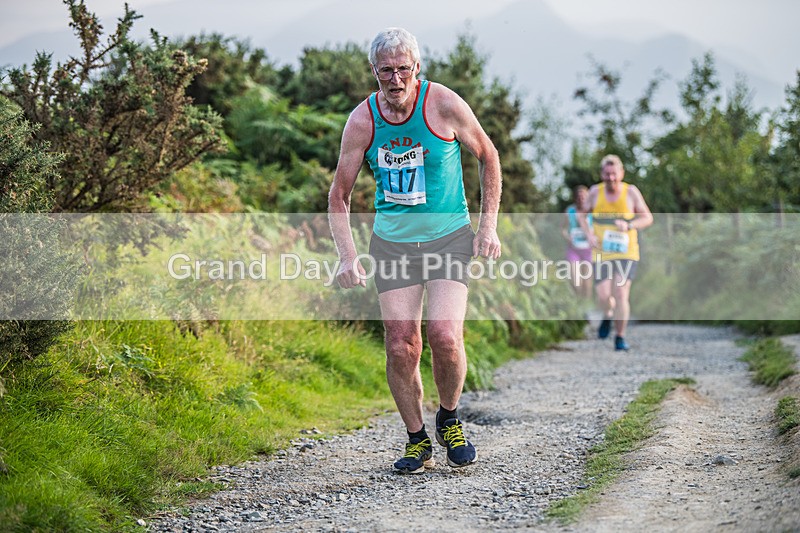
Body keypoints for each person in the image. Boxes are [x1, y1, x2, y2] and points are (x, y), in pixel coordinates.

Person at [328, 28, 502, 474]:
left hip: (448, 237)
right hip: (394, 243)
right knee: (402, 345)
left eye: (404, 68)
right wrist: (347, 255)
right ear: (374, 72)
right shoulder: (363, 121)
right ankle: (416, 439)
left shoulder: (443, 103)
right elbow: (339, 196)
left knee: (445, 336)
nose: (396, 78)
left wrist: (488, 228)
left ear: (417, 69)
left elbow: (488, 155)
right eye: (386, 69)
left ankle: (448, 417)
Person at [579, 155, 653, 351]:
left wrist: (629, 224)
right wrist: (589, 235)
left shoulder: (631, 193)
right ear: (602, 174)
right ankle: (608, 314)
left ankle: (620, 336)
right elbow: (581, 215)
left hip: (626, 252)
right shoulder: (595, 192)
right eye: (606, 174)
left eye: (614, 174)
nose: (610, 178)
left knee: (621, 293)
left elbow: (647, 218)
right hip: (602, 252)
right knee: (603, 296)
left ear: (621, 173)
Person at [561, 185, 593, 301]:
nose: (581, 199)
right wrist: (568, 237)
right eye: (579, 197)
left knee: (587, 282)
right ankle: (576, 302)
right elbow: (563, 229)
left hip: (588, 250)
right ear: (575, 198)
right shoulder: (569, 211)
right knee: (575, 279)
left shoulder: (592, 212)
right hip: (573, 249)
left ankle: (586, 305)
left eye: (584, 196)